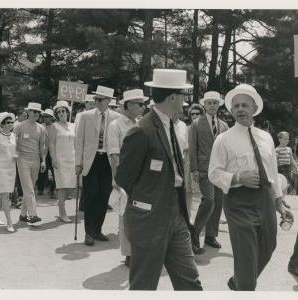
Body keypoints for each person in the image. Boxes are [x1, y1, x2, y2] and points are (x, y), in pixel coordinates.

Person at [115, 69, 203, 290]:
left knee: (190, 282)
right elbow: (123, 178)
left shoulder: (170, 125)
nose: (185, 101)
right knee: (144, 285)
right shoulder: (142, 131)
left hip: (177, 214)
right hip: (151, 220)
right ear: (172, 97)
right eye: (183, 95)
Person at [208, 83, 292, 291]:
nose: (240, 109)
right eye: (236, 106)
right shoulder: (223, 140)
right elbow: (213, 174)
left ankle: (238, 283)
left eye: (245, 105)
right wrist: (237, 178)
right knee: (246, 256)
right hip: (238, 203)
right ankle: (245, 287)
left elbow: (272, 173)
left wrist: (279, 204)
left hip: (264, 200)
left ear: (254, 108)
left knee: (268, 246)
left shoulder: (265, 138)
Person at [75, 85, 121, 246]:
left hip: (107, 161)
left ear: (109, 101)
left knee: (103, 196)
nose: (98, 102)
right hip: (91, 160)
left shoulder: (116, 117)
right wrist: (78, 163)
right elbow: (79, 141)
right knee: (91, 194)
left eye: (101, 99)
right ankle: (88, 232)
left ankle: (97, 230)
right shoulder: (85, 116)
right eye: (96, 99)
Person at [107, 88, 147, 267]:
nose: (143, 107)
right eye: (140, 104)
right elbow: (114, 154)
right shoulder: (115, 125)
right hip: (125, 176)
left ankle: (139, 249)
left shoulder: (141, 124)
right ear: (130, 105)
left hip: (142, 176)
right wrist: (116, 179)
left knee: (141, 213)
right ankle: (129, 253)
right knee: (125, 215)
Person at [189, 91, 228, 253]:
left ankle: (211, 236)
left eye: (215, 103)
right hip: (204, 170)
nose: (212, 105)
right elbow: (192, 148)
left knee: (218, 201)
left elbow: (227, 150)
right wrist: (194, 169)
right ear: (204, 105)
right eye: (209, 103)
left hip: (220, 170)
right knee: (209, 200)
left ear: (219, 105)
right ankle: (195, 232)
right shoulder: (197, 124)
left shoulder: (224, 125)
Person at [13, 102, 46, 224]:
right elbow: (13, 141)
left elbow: (42, 146)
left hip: (36, 161)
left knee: (29, 188)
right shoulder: (19, 126)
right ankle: (33, 215)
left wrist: (43, 161)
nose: (37, 114)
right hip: (23, 160)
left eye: (38, 112)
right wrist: (15, 153)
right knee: (29, 189)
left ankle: (22, 215)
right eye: (34, 111)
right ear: (28, 112)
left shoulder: (41, 128)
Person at [50, 101, 76, 223]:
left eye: (63, 111)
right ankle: (62, 213)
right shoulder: (54, 126)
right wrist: (53, 159)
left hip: (72, 159)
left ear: (67, 112)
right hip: (60, 160)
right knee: (62, 187)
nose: (61, 113)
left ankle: (61, 206)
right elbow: (51, 144)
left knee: (70, 187)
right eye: (58, 112)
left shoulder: (73, 125)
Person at [0, 112, 17, 232]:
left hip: (11, 169)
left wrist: (16, 155)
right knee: (5, 195)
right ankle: (9, 223)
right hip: (0, 169)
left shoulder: (14, 135)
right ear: (2, 124)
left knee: (1, 195)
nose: (11, 124)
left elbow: (17, 150)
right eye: (8, 122)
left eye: (12, 122)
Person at [37, 109, 56, 198]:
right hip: (43, 151)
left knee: (54, 170)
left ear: (52, 118)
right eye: (44, 116)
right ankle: (40, 188)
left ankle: (52, 189)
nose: (45, 118)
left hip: (53, 152)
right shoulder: (40, 126)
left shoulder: (56, 127)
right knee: (42, 171)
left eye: (47, 117)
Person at [276, 131, 298, 198]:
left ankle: (283, 200)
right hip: (281, 169)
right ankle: (282, 201)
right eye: (284, 139)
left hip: (288, 169)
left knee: (288, 185)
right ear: (279, 139)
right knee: (284, 185)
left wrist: (296, 166)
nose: (287, 140)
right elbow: (275, 161)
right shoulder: (277, 149)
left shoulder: (289, 149)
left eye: (287, 139)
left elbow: (291, 159)